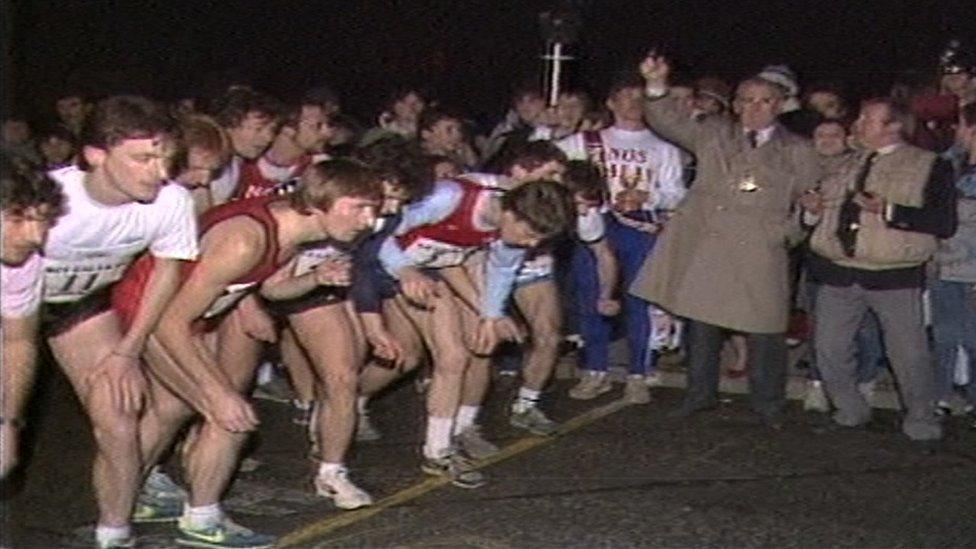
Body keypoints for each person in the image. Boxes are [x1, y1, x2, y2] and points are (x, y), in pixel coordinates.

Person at [113, 159, 382, 547]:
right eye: (359, 207)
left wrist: (315, 279)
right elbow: (171, 322)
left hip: (177, 314)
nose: (369, 221)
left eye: (373, 209)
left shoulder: (289, 227)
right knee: (230, 415)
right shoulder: (245, 240)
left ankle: (134, 494)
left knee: (170, 410)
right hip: (155, 314)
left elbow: (271, 290)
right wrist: (217, 391)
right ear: (322, 200)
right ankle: (202, 521)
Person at [630, 53, 821, 428]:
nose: (755, 108)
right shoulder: (714, 132)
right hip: (710, 244)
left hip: (760, 249)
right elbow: (666, 120)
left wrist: (795, 226)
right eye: (748, 100)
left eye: (765, 101)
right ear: (735, 105)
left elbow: (809, 202)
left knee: (765, 329)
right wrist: (655, 85)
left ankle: (768, 404)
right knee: (702, 324)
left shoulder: (798, 149)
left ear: (780, 106)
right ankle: (699, 395)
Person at [41, 96, 198, 549]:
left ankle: (114, 534)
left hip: (81, 305)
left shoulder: (171, 201)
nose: (159, 171)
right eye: (143, 158)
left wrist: (127, 351)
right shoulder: (50, 198)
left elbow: (166, 272)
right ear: (96, 155)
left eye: (165, 156)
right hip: (14, 303)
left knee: (120, 417)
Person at [380, 177, 574, 487]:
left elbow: (503, 268)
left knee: (472, 344)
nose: (532, 244)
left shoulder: (506, 229)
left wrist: (491, 315)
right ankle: (436, 450)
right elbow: (380, 231)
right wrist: (404, 269)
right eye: (530, 234)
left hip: (434, 269)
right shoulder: (448, 198)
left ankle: (450, 436)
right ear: (511, 213)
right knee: (445, 357)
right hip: (392, 267)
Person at [803, 97, 956, 441]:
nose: (857, 124)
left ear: (894, 126)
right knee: (829, 347)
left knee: (908, 353)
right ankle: (850, 408)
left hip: (895, 274)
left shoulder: (929, 166)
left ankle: (921, 417)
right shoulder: (845, 164)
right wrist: (812, 212)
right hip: (840, 270)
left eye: (867, 119)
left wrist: (888, 210)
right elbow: (824, 212)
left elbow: (943, 222)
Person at [558, 74, 685, 404]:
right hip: (594, 221)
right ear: (611, 103)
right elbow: (553, 172)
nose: (633, 103)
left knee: (639, 299)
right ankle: (595, 370)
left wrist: (648, 197)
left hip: (639, 225)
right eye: (625, 97)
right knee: (592, 295)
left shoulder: (664, 148)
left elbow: (676, 194)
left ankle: (638, 374)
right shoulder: (583, 143)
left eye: (639, 97)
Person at [0, 163, 64, 480]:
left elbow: (17, 341)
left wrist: (8, 424)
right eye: (19, 219)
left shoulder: (22, 263)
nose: (36, 236)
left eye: (43, 221)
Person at [931, 102, 976, 420]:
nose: (956, 132)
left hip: (972, 266)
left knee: (973, 336)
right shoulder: (947, 165)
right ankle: (940, 394)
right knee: (945, 334)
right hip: (945, 264)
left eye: (961, 125)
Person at [206, 87, 282, 205]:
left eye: (272, 130)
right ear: (229, 123)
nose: (268, 138)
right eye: (259, 129)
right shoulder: (204, 166)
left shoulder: (235, 165)